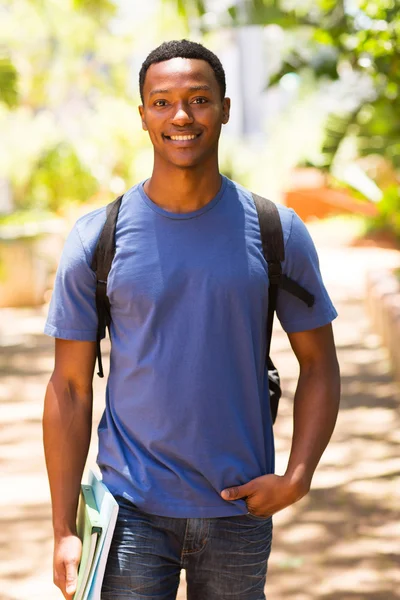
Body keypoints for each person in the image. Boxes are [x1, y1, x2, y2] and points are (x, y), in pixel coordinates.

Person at [43, 39, 340, 600]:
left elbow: (320, 364)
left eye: (199, 99)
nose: (181, 116)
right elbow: (70, 387)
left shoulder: (277, 230)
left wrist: (298, 477)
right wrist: (63, 528)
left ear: (225, 108)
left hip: (239, 511)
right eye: (163, 102)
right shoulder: (96, 239)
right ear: (143, 116)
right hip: (130, 512)